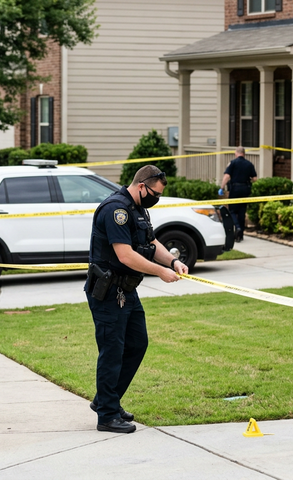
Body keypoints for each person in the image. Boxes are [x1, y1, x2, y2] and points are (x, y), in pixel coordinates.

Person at [85, 165, 189, 434]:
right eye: (155, 193)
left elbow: (152, 244)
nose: (156, 199)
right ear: (142, 186)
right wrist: (161, 272)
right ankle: (107, 416)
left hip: (127, 290)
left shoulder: (138, 209)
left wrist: (174, 261)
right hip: (108, 292)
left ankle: (106, 400)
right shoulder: (115, 210)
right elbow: (125, 256)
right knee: (112, 352)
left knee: (137, 344)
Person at [218, 146, 257, 242]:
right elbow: (255, 179)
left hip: (235, 189)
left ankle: (238, 227)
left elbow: (227, 176)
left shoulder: (233, 163)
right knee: (242, 211)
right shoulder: (249, 164)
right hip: (245, 189)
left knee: (232, 211)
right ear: (244, 153)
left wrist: (222, 187)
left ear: (236, 153)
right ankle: (241, 235)